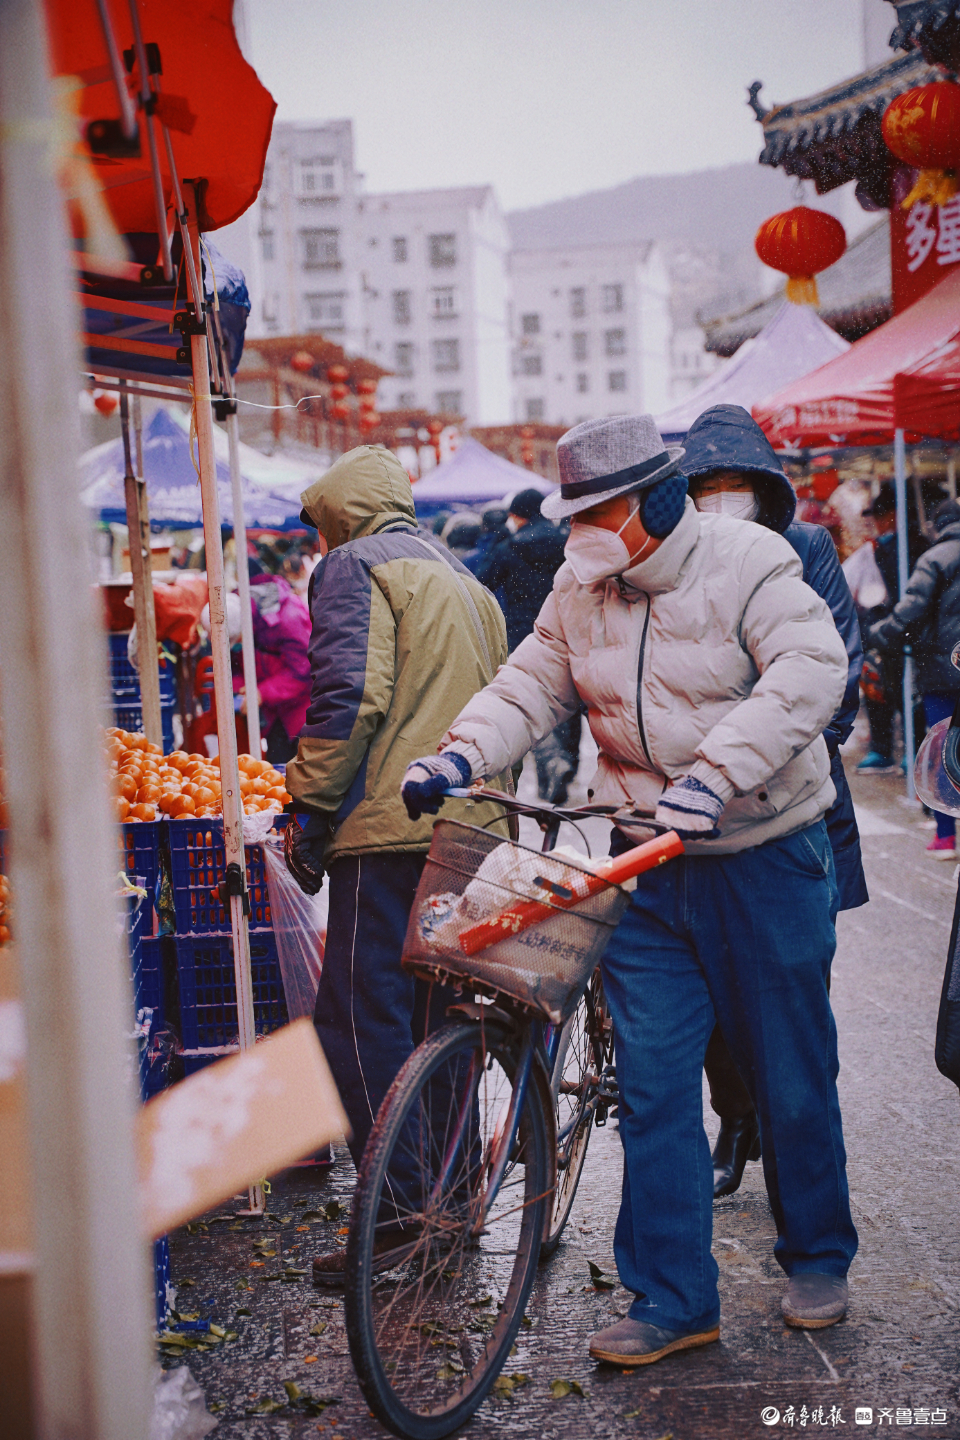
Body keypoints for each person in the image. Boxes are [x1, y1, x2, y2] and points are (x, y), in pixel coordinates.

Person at [402, 414, 857, 1363]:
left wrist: (716, 772)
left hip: (765, 854)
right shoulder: (581, 587)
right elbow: (530, 685)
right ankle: (673, 1296)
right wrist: (456, 753)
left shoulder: (750, 560)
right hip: (643, 866)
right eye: (575, 518)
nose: (583, 537)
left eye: (599, 513)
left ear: (656, 499)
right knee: (651, 1087)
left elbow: (811, 673)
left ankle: (817, 1252)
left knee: (790, 1071)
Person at [281, 443, 510, 1285]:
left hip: (393, 832)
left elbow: (349, 698)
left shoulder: (354, 565)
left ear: (338, 514)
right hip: (474, 830)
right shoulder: (463, 576)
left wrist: (306, 801)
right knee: (440, 1020)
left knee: (357, 1020)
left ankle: (399, 1217)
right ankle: (449, 1204)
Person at [681, 403, 868, 1198]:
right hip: (694, 800)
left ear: (763, 487)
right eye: (709, 485)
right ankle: (737, 1119)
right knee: (715, 1000)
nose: (724, 497)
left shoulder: (805, 546)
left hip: (798, 793)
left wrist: (779, 744)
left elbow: (839, 663)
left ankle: (802, 1151)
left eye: (737, 484)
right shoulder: (675, 556)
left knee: (795, 992)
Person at [475, 487, 581, 803]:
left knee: (533, 701)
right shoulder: (567, 542)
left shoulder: (510, 547)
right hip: (569, 629)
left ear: (518, 515)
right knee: (571, 701)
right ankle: (570, 762)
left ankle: (551, 765)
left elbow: (483, 585)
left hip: (525, 635)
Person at [869, 498, 960, 859]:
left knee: (940, 746)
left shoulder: (934, 558)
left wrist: (876, 634)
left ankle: (946, 835)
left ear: (938, 526)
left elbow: (910, 610)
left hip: (941, 669)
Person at [246, 572, 312, 764]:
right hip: (277, 713)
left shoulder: (289, 619)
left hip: (301, 711)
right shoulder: (254, 617)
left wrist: (261, 692)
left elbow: (303, 670)